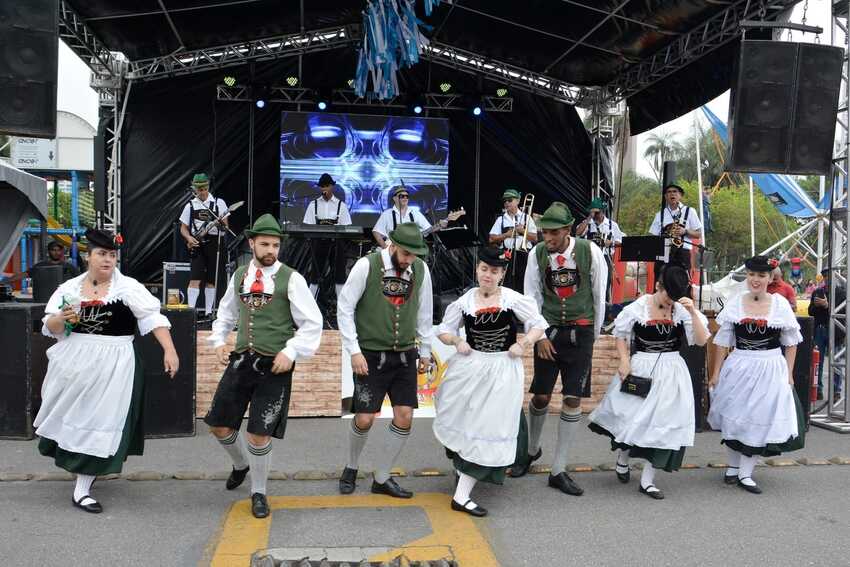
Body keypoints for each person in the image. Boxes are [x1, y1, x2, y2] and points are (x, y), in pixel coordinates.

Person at [34, 229, 179, 514]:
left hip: (115, 364)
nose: (108, 260)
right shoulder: (69, 289)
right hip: (74, 364)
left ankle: (82, 489)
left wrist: (170, 350)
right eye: (102, 254)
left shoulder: (127, 288)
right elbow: (51, 329)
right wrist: (59, 318)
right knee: (74, 419)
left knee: (100, 422)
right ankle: (82, 475)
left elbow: (152, 317)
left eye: (112, 255)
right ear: (88, 256)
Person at [205, 214, 323, 518]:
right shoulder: (239, 276)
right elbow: (226, 313)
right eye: (265, 244)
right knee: (219, 425)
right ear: (251, 244)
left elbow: (312, 323)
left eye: (275, 245)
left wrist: (291, 351)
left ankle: (258, 491)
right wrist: (219, 342)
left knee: (259, 434)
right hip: (242, 360)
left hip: (275, 367)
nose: (271, 250)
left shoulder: (291, 278)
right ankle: (241, 464)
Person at [432, 247, 547, 516]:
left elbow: (538, 323)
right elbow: (444, 330)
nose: (488, 275)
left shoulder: (512, 299)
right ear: (477, 269)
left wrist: (526, 342)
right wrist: (458, 340)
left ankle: (461, 494)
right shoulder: (465, 301)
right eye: (484, 269)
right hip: (471, 367)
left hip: (502, 369)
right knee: (465, 421)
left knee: (488, 427)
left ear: (502, 274)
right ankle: (462, 475)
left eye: (494, 271)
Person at [511, 202, 607, 497]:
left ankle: (559, 469)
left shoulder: (590, 251)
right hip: (549, 331)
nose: (547, 238)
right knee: (540, 395)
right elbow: (532, 298)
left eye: (553, 233)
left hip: (581, 331)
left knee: (572, 398)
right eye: (544, 232)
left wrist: (592, 334)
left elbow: (599, 293)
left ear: (567, 230)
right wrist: (538, 337)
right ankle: (531, 450)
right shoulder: (536, 254)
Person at [588, 266, 709, 499]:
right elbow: (621, 335)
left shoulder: (682, 310)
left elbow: (702, 341)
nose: (670, 301)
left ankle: (647, 480)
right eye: (667, 295)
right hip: (642, 367)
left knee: (664, 423)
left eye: (675, 297)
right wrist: (624, 361)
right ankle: (623, 457)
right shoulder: (638, 307)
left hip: (672, 371)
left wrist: (693, 312)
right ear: (657, 286)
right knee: (631, 419)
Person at [337, 222, 434, 499]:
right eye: (404, 254)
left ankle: (382, 476)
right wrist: (353, 350)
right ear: (390, 244)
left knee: (405, 417)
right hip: (369, 353)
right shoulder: (366, 266)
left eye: (413, 255)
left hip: (405, 353)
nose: (408, 260)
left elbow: (424, 313)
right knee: (365, 418)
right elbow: (345, 307)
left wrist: (425, 351)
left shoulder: (420, 270)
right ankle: (351, 466)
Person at [708, 256, 805, 494]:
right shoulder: (735, 303)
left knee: (758, 418)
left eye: (761, 276)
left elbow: (791, 342)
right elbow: (723, 341)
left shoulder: (780, 304)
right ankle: (732, 466)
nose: (755, 280)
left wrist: (789, 374)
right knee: (733, 415)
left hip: (769, 365)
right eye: (752, 275)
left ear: (770, 278)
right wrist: (716, 372)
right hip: (739, 364)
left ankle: (745, 472)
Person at [179, 173, 229, 316]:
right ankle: (190, 313)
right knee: (195, 278)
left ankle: (208, 313)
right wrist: (189, 238)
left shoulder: (219, 203)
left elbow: (225, 227)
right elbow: (183, 227)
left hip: (214, 243)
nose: (202, 192)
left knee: (211, 280)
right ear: (195, 189)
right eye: (199, 189)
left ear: (208, 187)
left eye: (204, 189)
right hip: (197, 244)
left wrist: (220, 225)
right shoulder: (190, 205)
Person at [301, 173, 353, 299]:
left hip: (337, 244)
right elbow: (307, 226)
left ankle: (341, 309)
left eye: (327, 186)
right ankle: (310, 307)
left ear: (332, 187)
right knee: (315, 275)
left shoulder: (342, 206)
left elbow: (347, 228)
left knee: (339, 276)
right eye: (322, 186)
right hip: (318, 243)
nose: (324, 188)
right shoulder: (313, 205)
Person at [488, 188, 538, 291]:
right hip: (506, 255)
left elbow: (535, 238)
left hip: (523, 255)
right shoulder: (501, 219)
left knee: (524, 284)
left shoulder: (526, 217)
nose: (506, 203)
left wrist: (522, 231)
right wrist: (506, 235)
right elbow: (491, 239)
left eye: (510, 200)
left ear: (518, 201)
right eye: (505, 201)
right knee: (506, 284)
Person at [576, 197, 624, 301]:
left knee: (604, 285)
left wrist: (610, 242)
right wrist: (589, 218)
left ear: (602, 211)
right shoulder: (588, 223)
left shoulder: (612, 225)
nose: (594, 215)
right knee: (587, 284)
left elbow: (620, 242)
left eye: (596, 213)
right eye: (592, 212)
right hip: (589, 257)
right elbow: (578, 233)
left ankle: (605, 309)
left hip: (605, 258)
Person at [649, 183, 702, 273]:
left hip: (682, 253)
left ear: (680, 195)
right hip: (663, 253)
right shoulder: (659, 214)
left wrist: (685, 231)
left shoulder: (690, 211)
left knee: (681, 283)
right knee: (660, 283)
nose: (672, 194)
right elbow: (652, 235)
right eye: (669, 192)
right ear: (665, 196)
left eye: (675, 192)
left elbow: (699, 234)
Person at [809, 268, 845, 400]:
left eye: (829, 276)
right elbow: (810, 312)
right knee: (817, 361)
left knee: (836, 360)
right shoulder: (817, 292)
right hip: (820, 329)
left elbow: (844, 312)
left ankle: (836, 390)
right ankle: (817, 389)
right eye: (825, 276)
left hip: (836, 330)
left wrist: (827, 305)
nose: (827, 279)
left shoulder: (841, 293)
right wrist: (818, 305)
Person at [372, 186, 444, 248]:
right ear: (395, 198)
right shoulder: (387, 214)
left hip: (410, 250)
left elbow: (429, 229)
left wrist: (440, 225)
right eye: (402, 196)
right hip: (392, 250)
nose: (405, 198)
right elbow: (376, 232)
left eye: (407, 196)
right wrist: (385, 247)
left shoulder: (415, 213)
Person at [2, 240, 79, 284]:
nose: (56, 252)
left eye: (58, 250)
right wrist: (4, 281)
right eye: (53, 250)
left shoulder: (69, 267)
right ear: (49, 251)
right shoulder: (40, 266)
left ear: (62, 251)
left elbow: (81, 279)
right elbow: (24, 274)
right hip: (43, 298)